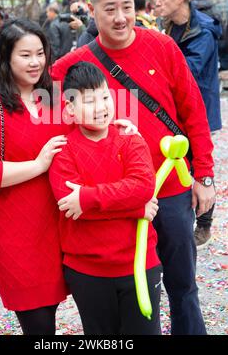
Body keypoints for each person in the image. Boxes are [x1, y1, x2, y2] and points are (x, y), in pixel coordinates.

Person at [0, 0, 214, 335]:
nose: (120, 17)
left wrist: (204, 175)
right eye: (109, 9)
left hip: (170, 187)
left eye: (127, 7)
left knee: (182, 286)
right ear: (92, 14)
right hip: (117, 200)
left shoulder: (162, 47)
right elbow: (27, 77)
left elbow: (194, 112)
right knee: (130, 292)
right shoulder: (74, 65)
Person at [0, 19, 69, 335]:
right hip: (17, 235)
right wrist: (38, 165)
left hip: (62, 229)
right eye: (25, 55)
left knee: (53, 311)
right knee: (37, 324)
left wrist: (121, 127)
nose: (36, 62)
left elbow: (90, 125)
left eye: (40, 53)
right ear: (5, 57)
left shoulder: (55, 96)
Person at [49, 61, 161, 335]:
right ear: (70, 109)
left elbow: (143, 187)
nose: (101, 107)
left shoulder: (129, 139)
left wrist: (87, 199)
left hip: (138, 263)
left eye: (105, 97)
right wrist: (134, 209)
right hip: (87, 270)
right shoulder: (63, 150)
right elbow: (69, 204)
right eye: (89, 101)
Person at [156, 0, 221, 248]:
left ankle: (203, 225)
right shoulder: (168, 26)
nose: (156, 3)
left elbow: (189, 71)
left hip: (200, 110)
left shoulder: (203, 30)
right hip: (175, 110)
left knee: (200, 168)